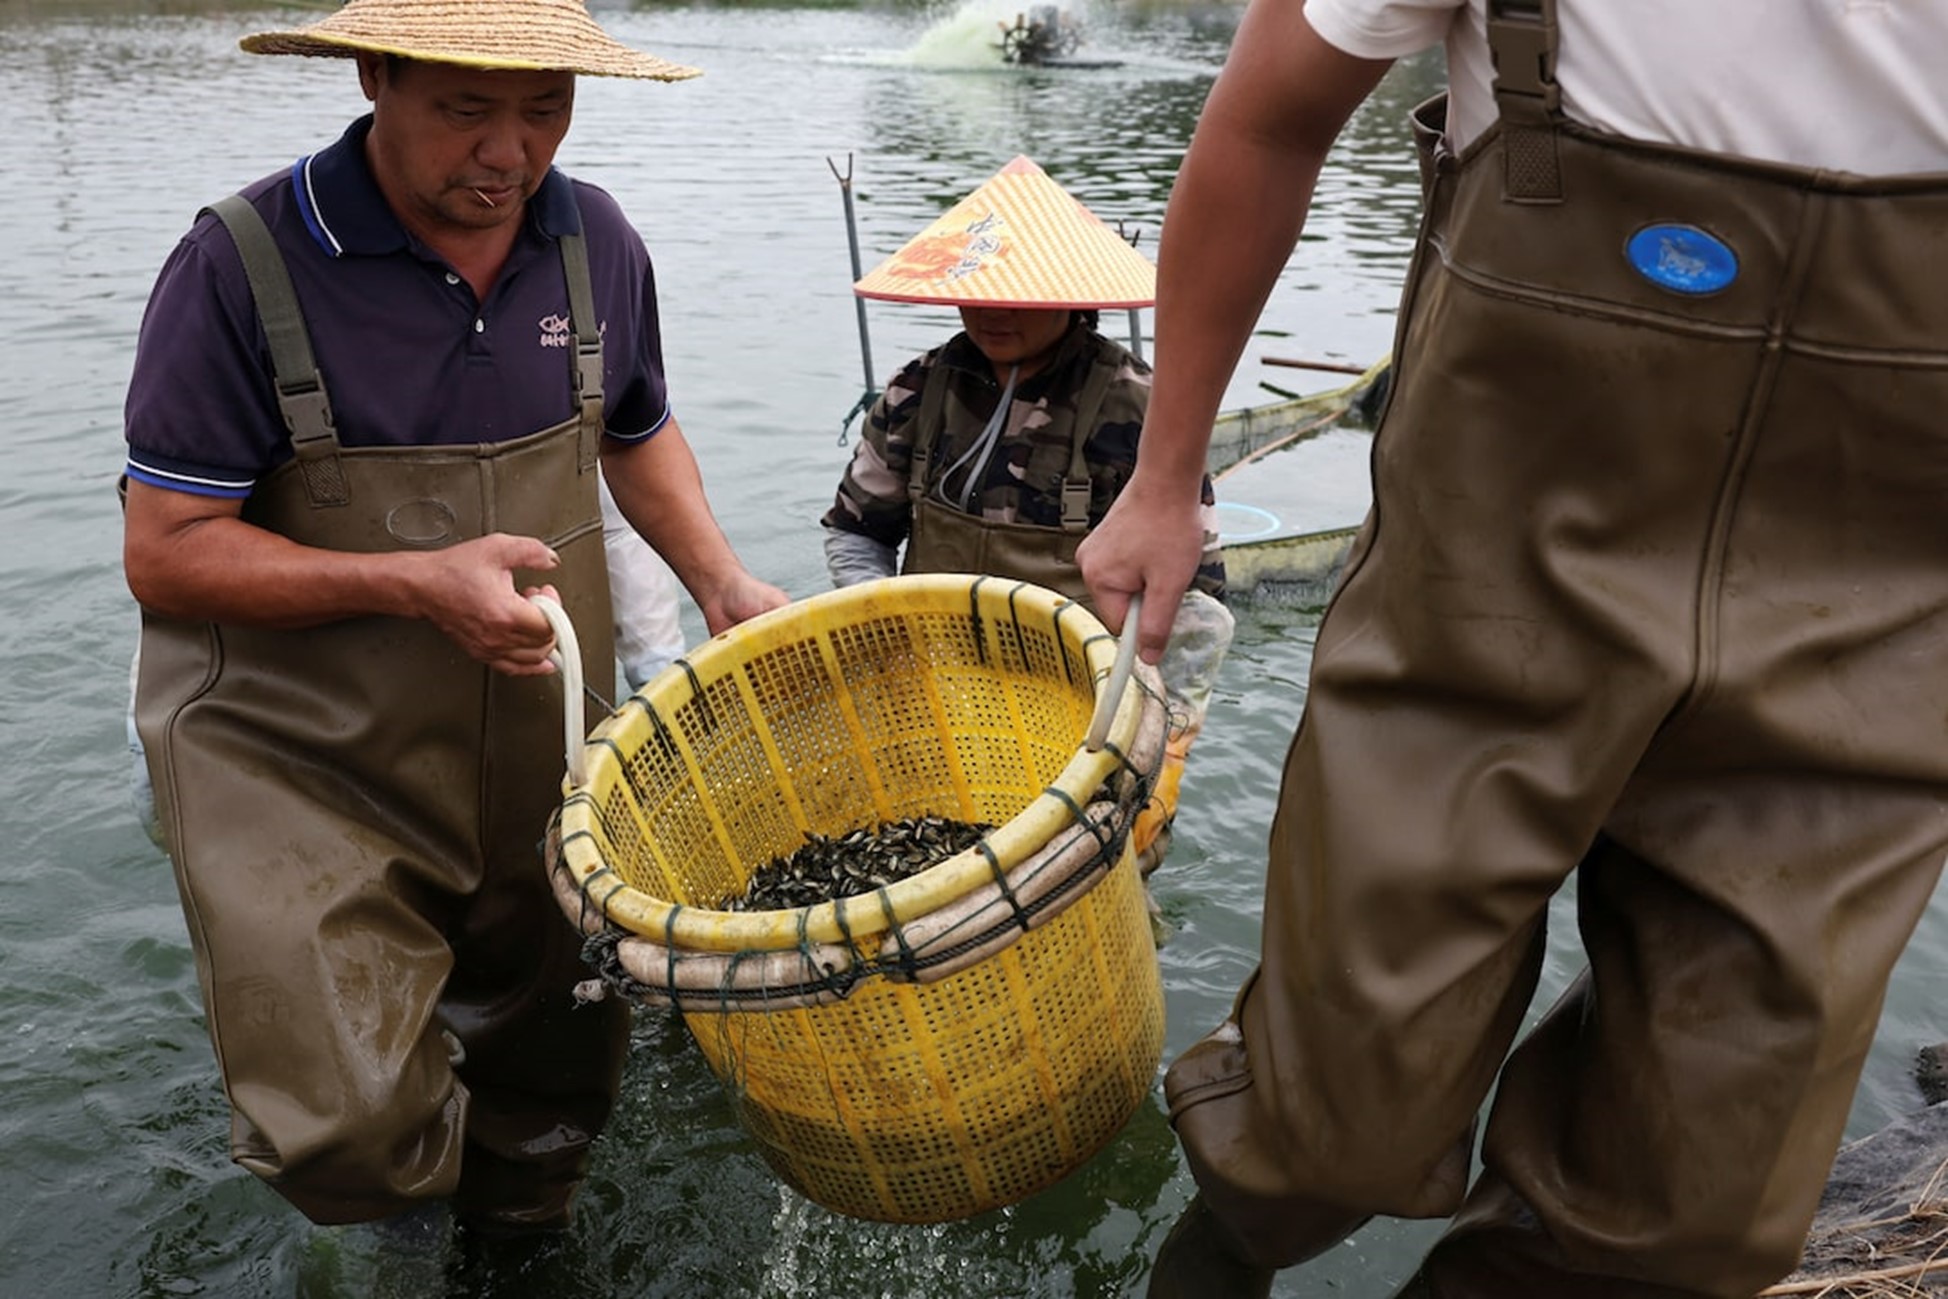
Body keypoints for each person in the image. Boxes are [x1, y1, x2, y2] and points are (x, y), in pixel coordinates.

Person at [1074, 2, 1948, 1297]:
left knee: (1691, 1201)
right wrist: (1165, 475)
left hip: (1867, 612)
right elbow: (1270, 114)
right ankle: (1224, 1250)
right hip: (1491, 571)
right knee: (1329, 1108)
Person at [120, 0, 788, 1235]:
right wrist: (408, 582)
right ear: (376, 74)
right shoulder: (240, 262)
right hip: (298, 758)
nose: (508, 154)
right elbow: (166, 555)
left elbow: (633, 431)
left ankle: (509, 1247)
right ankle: (401, 1218)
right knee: (347, 1133)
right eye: (466, 110)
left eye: (545, 110)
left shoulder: (594, 241)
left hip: (541, 741)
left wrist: (722, 583)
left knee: (554, 1101)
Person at [821, 156, 1234, 875]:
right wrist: (884, 636)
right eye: (979, 290)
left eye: (1020, 293)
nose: (993, 311)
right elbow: (856, 531)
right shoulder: (917, 392)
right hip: (937, 693)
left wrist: (1165, 746)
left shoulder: (1142, 407)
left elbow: (1197, 603)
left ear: (1073, 295)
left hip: (1083, 712)